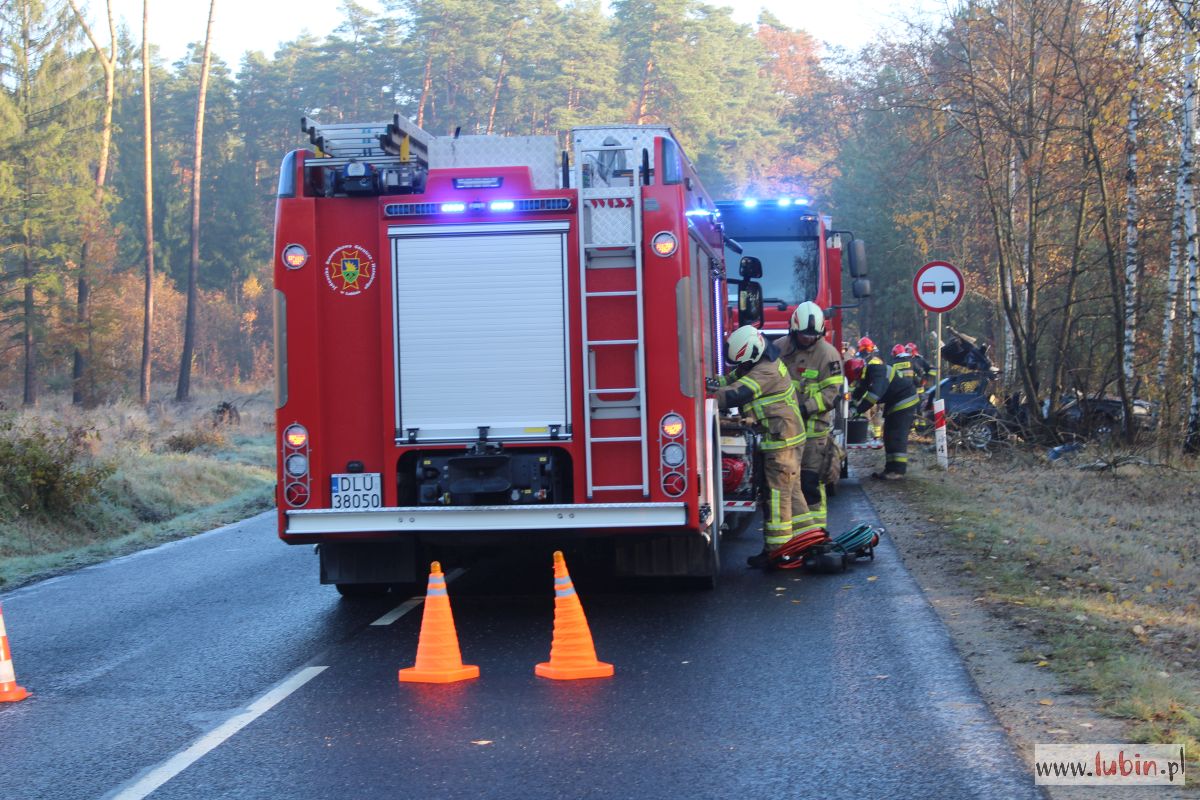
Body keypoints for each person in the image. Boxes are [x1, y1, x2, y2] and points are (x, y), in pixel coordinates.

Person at [707, 325, 816, 568]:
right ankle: (809, 541)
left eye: (742, 363)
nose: (740, 368)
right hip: (786, 438)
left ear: (753, 353)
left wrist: (701, 396)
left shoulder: (764, 372)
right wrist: (712, 383)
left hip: (782, 443)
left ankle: (778, 553)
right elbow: (732, 379)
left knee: (777, 496)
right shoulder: (757, 362)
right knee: (791, 492)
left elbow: (737, 393)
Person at [776, 301, 842, 530]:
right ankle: (792, 535)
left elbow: (833, 394)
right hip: (783, 431)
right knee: (783, 483)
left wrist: (805, 409)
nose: (808, 339)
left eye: (813, 335)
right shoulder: (778, 349)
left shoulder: (828, 355)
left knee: (810, 483)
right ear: (793, 329)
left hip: (814, 432)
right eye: (804, 334)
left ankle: (817, 533)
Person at [849, 342, 919, 479]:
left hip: (905, 400)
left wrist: (857, 410)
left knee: (896, 435)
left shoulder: (877, 371)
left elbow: (874, 395)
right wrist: (852, 402)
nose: (857, 380)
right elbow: (860, 389)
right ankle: (889, 470)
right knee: (888, 435)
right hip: (896, 401)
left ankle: (898, 471)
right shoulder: (868, 372)